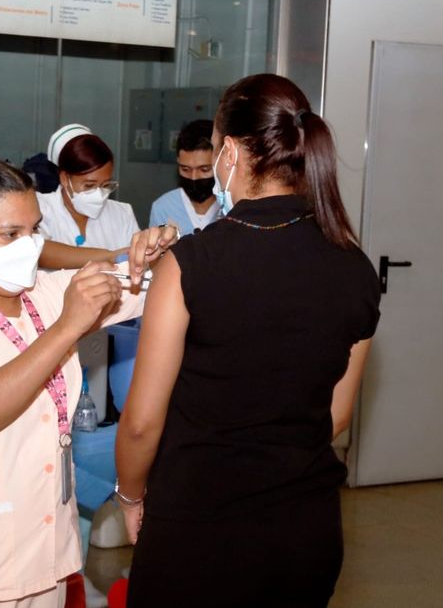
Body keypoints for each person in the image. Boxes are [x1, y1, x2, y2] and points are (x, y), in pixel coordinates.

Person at [114, 74, 381, 607]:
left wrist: (129, 495)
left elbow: (142, 422)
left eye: (213, 150)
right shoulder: (355, 266)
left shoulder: (192, 264)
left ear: (231, 151)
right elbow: (338, 414)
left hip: (198, 528)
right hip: (306, 530)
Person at [0, 156, 177, 607]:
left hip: (46, 558)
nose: (29, 245)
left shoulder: (46, 292)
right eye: (10, 234)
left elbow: (155, 283)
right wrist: (67, 328)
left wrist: (162, 250)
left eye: (34, 230)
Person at [37, 124, 140, 269]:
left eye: (105, 185)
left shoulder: (122, 213)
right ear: (65, 178)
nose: (99, 194)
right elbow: (39, 252)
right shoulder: (40, 208)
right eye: (89, 185)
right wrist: (111, 256)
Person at [148, 119, 219, 236]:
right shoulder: (163, 208)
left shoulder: (231, 208)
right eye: (185, 169)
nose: (194, 177)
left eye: (204, 169)